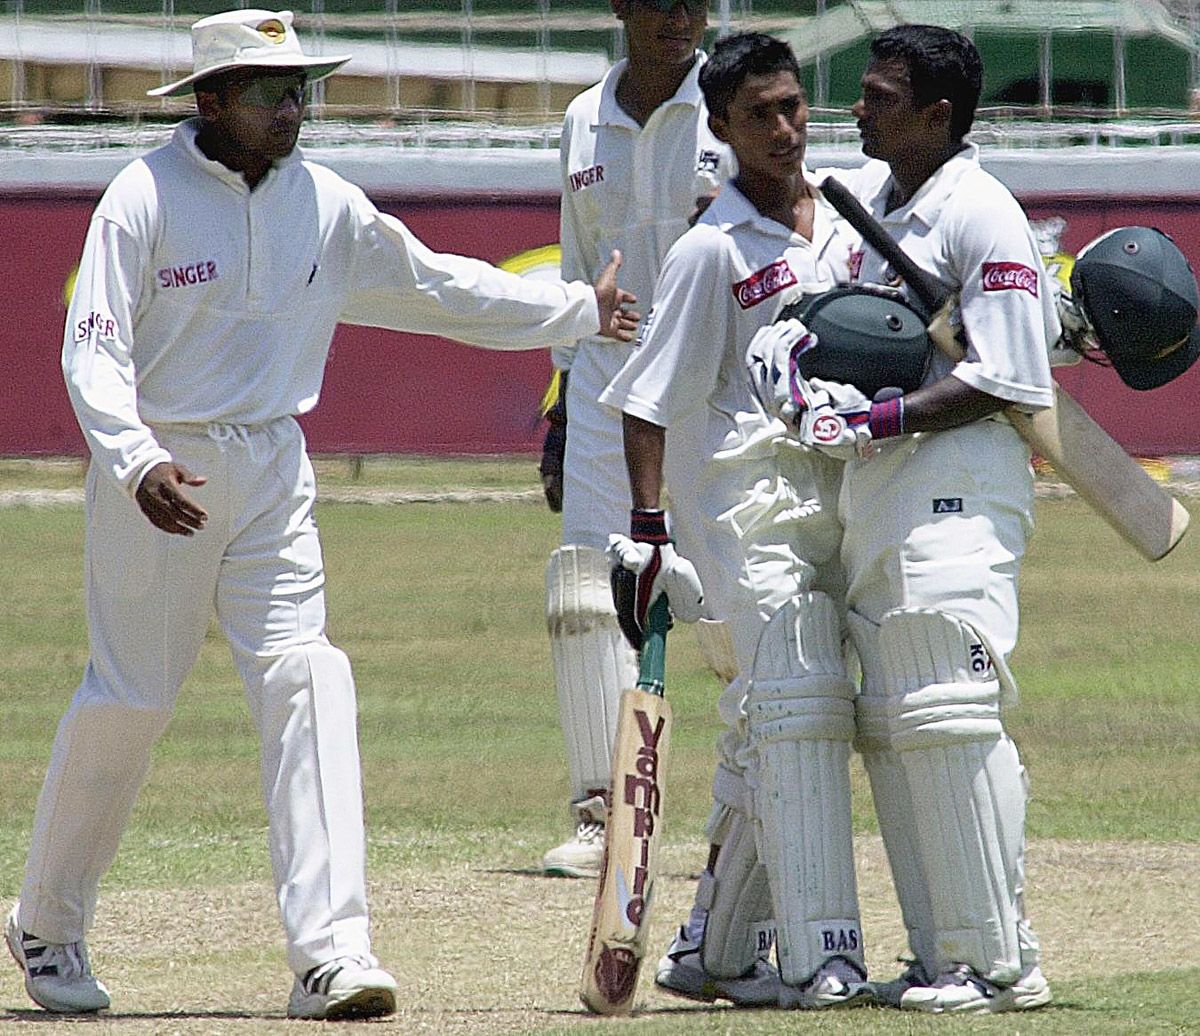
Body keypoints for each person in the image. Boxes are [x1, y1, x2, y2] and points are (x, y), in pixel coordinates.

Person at [3, 8, 637, 1021]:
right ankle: (46, 921)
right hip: (161, 469)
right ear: (210, 102)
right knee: (131, 698)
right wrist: (134, 459)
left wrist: (575, 311)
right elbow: (93, 349)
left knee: (309, 676)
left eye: (300, 89)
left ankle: (331, 954)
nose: (291, 108)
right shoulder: (141, 197)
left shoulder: (326, 203)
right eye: (268, 91)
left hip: (274, 467)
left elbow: (438, 286)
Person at [763, 24, 1058, 1014]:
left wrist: (882, 414)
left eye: (884, 95)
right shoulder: (861, 205)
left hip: (959, 492)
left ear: (939, 114)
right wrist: (787, 365)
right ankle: (943, 952)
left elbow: (1006, 375)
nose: (860, 105)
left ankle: (994, 956)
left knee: (948, 711)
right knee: (895, 727)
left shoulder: (985, 216)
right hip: (874, 494)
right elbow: (822, 313)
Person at [600, 32, 874, 1009]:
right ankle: (814, 955)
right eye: (760, 114)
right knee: (794, 698)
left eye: (794, 106)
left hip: (843, 493)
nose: (785, 129)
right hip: (742, 510)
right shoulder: (710, 247)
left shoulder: (848, 213)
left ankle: (707, 951)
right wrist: (648, 530)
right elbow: (646, 399)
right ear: (720, 127)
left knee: (776, 724)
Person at [540, 0, 734, 880]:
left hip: (709, 382)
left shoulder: (733, 102)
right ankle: (602, 811)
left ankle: (755, 796)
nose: (680, 18)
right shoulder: (585, 117)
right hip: (605, 379)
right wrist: (559, 401)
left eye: (695, 2)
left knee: (735, 595)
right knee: (590, 588)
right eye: (660, 1)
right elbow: (581, 265)